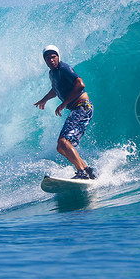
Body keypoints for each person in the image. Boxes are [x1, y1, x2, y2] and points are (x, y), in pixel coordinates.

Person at [34, 45, 97, 179]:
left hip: (83, 106)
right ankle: (87, 170)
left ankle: (81, 172)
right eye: (48, 58)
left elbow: (80, 84)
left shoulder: (64, 68)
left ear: (58, 57)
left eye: (53, 57)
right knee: (60, 147)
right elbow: (55, 89)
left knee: (64, 142)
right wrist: (43, 100)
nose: (51, 60)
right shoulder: (52, 73)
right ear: (44, 61)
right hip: (77, 108)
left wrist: (64, 103)